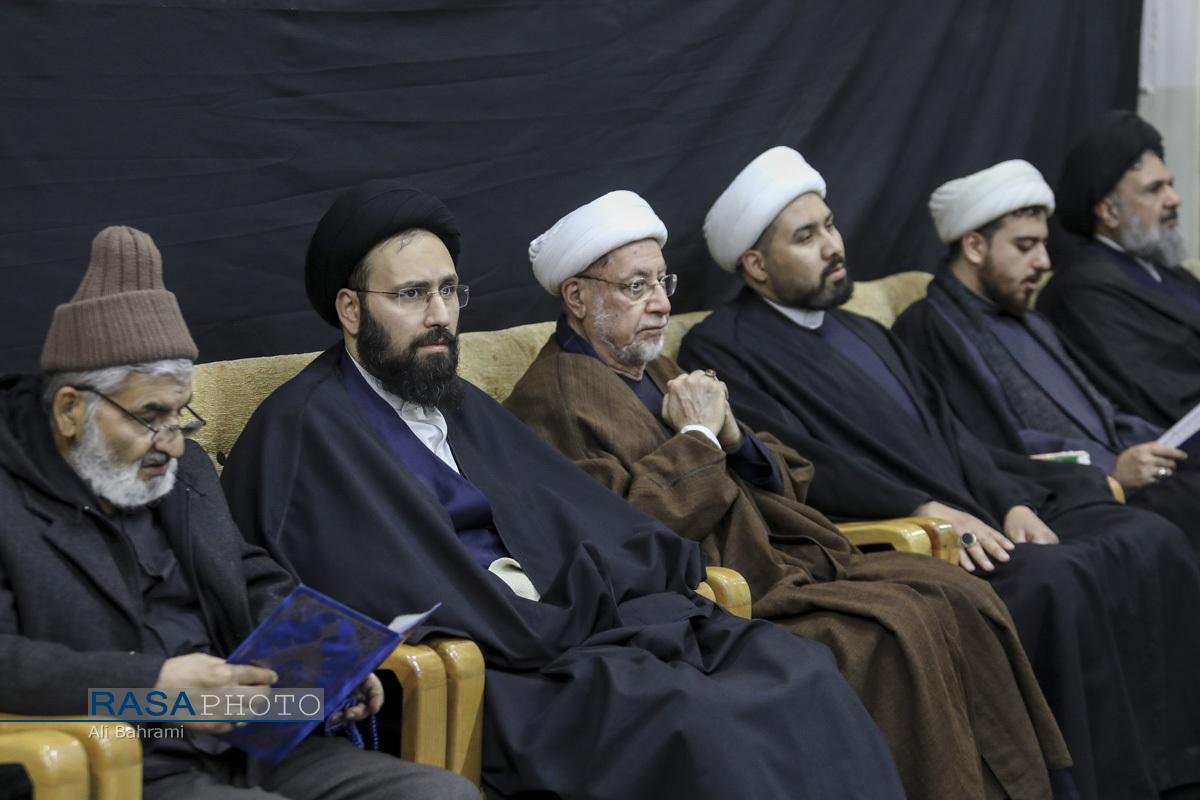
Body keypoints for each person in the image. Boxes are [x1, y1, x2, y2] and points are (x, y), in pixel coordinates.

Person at [219, 179, 907, 800]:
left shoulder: (459, 401)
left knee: (795, 667)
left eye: (449, 291)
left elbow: (580, 516)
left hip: (567, 629)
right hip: (493, 672)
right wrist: (547, 621)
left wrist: (615, 589)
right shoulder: (304, 430)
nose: (439, 315)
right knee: (695, 721)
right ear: (349, 309)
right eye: (411, 295)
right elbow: (359, 587)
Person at [502, 189, 1070, 799]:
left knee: (960, 594)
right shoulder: (551, 402)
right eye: (635, 286)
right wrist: (698, 437)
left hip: (784, 562)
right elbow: (624, 532)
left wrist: (733, 435)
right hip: (718, 603)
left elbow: (794, 475)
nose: (662, 302)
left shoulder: (657, 370)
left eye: (662, 281)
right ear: (577, 297)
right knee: (896, 627)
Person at [679, 146, 1200, 800]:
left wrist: (1009, 502)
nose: (833, 246)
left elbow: (954, 433)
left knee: (1146, 535)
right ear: (756, 265)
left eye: (830, 226)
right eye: (806, 237)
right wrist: (921, 508)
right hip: (900, 537)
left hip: (976, 510)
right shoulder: (722, 345)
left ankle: (1175, 769)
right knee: (1056, 578)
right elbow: (801, 463)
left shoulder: (865, 330)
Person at [0, 226, 477, 800]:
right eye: (150, 417)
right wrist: (151, 685)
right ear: (70, 410)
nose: (171, 443)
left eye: (181, 415)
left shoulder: (186, 471)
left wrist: (329, 661)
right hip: (113, 754)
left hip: (246, 738)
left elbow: (248, 576)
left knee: (442, 795)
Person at [892, 159, 1198, 549]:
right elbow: (985, 447)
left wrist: (1161, 445)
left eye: (1043, 244)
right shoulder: (929, 328)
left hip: (1115, 480)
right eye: (1025, 246)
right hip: (1052, 499)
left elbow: (1100, 411)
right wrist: (1110, 469)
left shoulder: (1030, 320)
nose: (1044, 262)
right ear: (974, 246)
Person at [1039, 110, 1200, 428]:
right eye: (1154, 189)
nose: (1174, 199)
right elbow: (1157, 394)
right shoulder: (1082, 292)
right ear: (1109, 211)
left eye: (1170, 185)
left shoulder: (1169, 272)